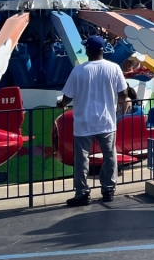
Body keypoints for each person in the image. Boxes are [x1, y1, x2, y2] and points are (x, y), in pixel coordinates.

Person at [59, 36, 139, 207]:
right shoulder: (114, 68)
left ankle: (82, 193)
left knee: (82, 159)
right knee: (110, 156)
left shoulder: (79, 71)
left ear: (88, 50)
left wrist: (61, 104)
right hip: (106, 120)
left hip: (83, 122)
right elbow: (123, 95)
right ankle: (108, 189)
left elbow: (66, 98)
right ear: (103, 50)